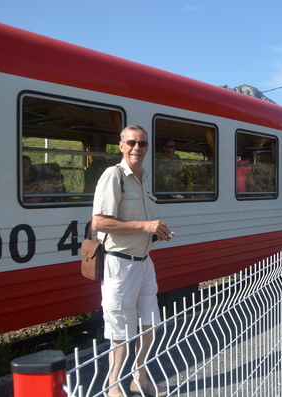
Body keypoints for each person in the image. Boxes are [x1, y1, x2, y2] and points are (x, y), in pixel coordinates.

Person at [92, 125, 173, 397]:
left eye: (142, 143)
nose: (137, 147)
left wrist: (157, 231)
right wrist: (144, 226)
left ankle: (140, 377)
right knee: (120, 330)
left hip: (143, 261)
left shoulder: (143, 177)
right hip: (119, 264)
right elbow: (99, 222)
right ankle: (113, 386)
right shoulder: (113, 176)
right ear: (121, 145)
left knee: (150, 322)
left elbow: (143, 224)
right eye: (131, 142)